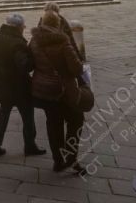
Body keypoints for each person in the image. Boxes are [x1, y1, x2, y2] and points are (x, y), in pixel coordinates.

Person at [0, 13, 46, 158]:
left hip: (1, 83)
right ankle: (30, 145)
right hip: (19, 86)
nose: (24, 29)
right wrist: (32, 59)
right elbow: (25, 65)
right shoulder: (18, 43)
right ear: (19, 27)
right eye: (23, 27)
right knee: (28, 116)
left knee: (3, 114)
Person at [29, 10, 85, 172]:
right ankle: (71, 158)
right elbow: (76, 68)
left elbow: (30, 62)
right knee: (76, 120)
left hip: (44, 90)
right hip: (63, 90)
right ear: (58, 24)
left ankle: (58, 161)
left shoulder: (34, 41)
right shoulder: (63, 41)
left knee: (53, 124)